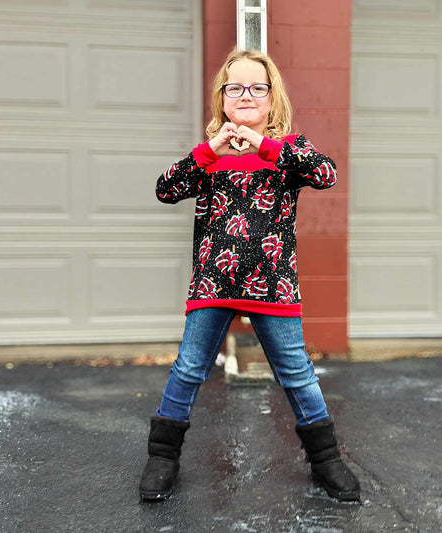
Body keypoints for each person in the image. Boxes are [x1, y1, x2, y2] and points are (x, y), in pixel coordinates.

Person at [139, 48, 360, 503]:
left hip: (274, 283)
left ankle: (327, 461)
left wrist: (265, 145)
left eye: (257, 87)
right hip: (213, 284)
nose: (246, 95)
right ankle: (162, 458)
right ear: (222, 97)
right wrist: (209, 150)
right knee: (189, 367)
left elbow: (326, 174)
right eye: (235, 87)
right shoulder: (210, 157)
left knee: (296, 372)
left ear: (271, 97)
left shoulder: (288, 151)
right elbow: (166, 189)